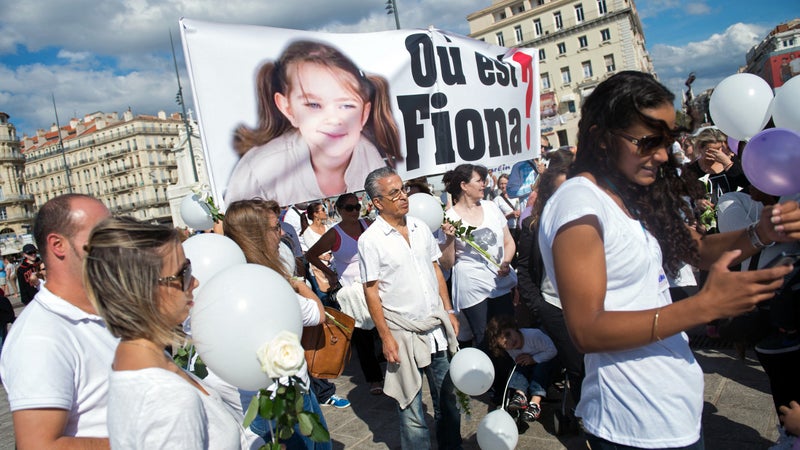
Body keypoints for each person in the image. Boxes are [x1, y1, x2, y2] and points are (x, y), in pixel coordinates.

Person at [538, 70, 800, 449]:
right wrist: (704, 306)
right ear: (600, 137)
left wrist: (761, 233)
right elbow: (587, 330)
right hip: (632, 425)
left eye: (667, 140)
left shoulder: (626, 194)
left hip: (669, 413)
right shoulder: (578, 207)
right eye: (648, 141)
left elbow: (695, 250)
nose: (662, 154)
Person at [83, 217, 250, 448]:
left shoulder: (138, 360)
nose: (196, 282)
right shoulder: (168, 398)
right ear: (145, 291)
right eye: (185, 272)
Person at [358, 167, 462, 449]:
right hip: (402, 334)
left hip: (435, 328)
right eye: (395, 193)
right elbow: (371, 291)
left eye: (403, 189)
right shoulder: (370, 240)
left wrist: (449, 311)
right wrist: (386, 338)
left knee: (447, 400)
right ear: (378, 202)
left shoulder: (419, 227)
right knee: (410, 407)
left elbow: (435, 269)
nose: (404, 196)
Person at [0, 194, 115, 448]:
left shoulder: (108, 310)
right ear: (58, 245)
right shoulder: (40, 337)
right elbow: (38, 445)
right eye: (102, 234)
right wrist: (140, 440)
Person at [226, 40, 401, 206]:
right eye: (314, 105)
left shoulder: (367, 154)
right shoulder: (259, 169)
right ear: (287, 108)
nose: (333, 119)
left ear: (364, 114)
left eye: (347, 105)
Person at [223, 199, 338, 449]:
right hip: (287, 395)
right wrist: (297, 282)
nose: (283, 233)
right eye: (276, 227)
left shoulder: (228, 279)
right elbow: (316, 313)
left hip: (256, 399)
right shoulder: (267, 283)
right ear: (256, 236)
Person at [514, 148, 585, 402]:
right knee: (576, 367)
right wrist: (541, 307)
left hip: (590, 305)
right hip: (554, 307)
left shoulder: (588, 219)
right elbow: (523, 269)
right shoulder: (532, 225)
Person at [307, 193, 384, 395]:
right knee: (364, 337)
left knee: (386, 327)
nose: (354, 212)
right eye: (349, 208)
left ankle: (390, 363)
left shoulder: (368, 224)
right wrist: (330, 273)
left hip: (377, 285)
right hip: (353, 292)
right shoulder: (334, 234)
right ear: (339, 210)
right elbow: (310, 254)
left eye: (356, 207)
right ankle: (374, 379)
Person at [440, 163, 517, 349]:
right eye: (479, 180)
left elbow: (509, 241)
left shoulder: (491, 207)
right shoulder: (449, 217)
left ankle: (511, 376)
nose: (484, 184)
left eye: (484, 180)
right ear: (464, 186)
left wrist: (506, 262)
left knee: (509, 332)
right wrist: (449, 240)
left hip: (500, 282)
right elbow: (447, 263)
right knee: (485, 338)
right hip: (473, 287)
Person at [486, 315, 557, 422]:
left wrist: (533, 359)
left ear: (513, 328)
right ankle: (520, 394)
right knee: (518, 367)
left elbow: (553, 350)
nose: (510, 341)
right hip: (529, 363)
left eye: (508, 334)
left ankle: (535, 403)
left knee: (540, 370)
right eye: (505, 343)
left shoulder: (533, 335)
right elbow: (517, 360)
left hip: (548, 360)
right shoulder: (511, 349)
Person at [506, 135, 550, 211]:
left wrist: (546, 174)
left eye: (546, 148)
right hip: (529, 213)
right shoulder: (519, 166)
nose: (543, 150)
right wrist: (530, 188)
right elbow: (510, 192)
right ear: (533, 145)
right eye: (540, 146)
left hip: (546, 210)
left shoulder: (549, 164)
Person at [301, 202, 333, 294]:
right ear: (315, 214)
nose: (325, 212)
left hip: (333, 266)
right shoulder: (308, 232)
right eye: (322, 210)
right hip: (320, 270)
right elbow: (312, 251)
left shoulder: (327, 227)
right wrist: (323, 256)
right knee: (326, 298)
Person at [493, 173, 521, 241]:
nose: (503, 186)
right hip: (508, 230)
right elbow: (495, 219)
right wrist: (509, 215)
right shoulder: (497, 200)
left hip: (520, 228)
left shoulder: (518, 195)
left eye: (505, 183)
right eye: (501, 183)